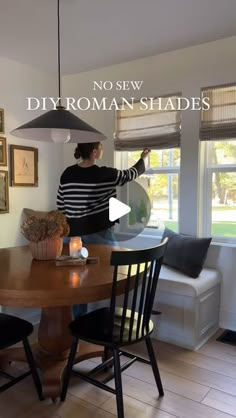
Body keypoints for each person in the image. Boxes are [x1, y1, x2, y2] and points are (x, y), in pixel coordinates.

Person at [57, 142, 150, 316]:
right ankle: (132, 317)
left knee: (78, 282)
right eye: (101, 147)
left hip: (71, 238)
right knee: (126, 272)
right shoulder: (105, 174)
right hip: (98, 235)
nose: (102, 149)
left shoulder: (67, 173)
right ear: (94, 152)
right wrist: (143, 158)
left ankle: (80, 324)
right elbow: (132, 173)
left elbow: (61, 205)